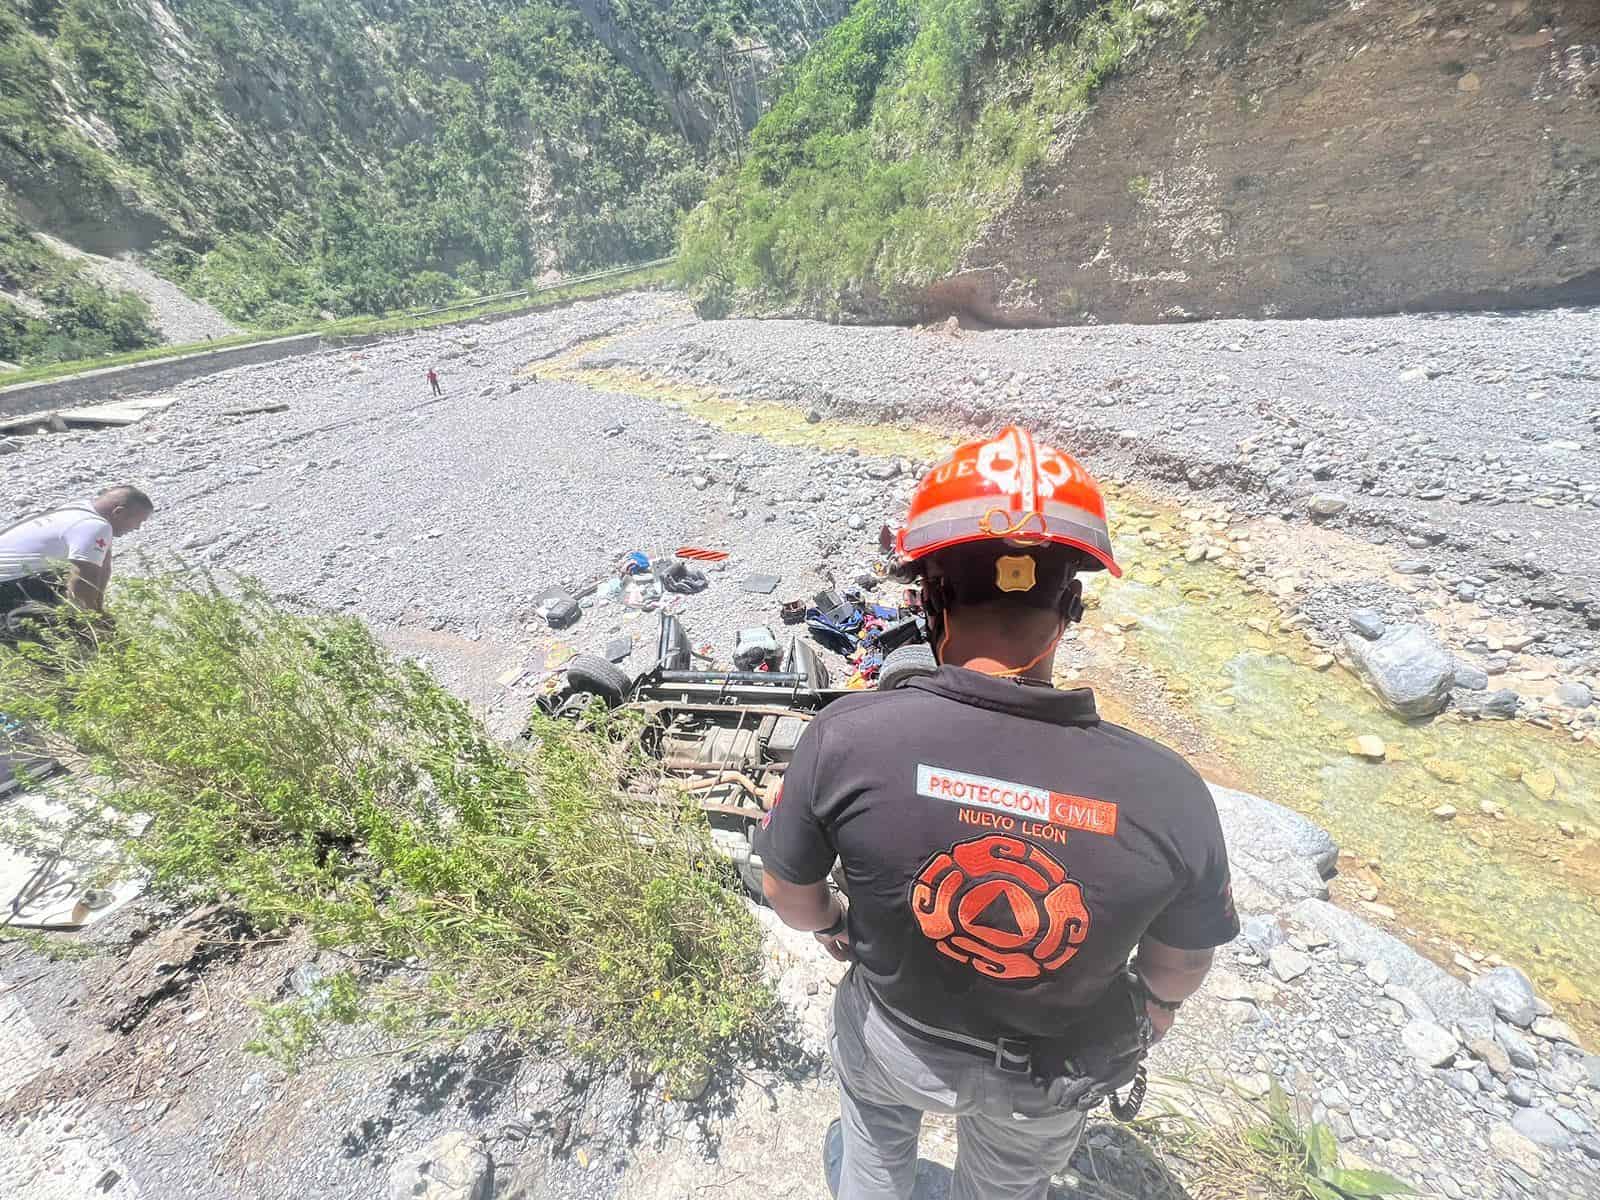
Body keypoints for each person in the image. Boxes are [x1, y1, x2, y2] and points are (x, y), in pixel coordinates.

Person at [754, 427, 1238, 1200]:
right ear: (1072, 604)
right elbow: (1178, 968)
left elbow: (788, 896)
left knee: (874, 1158)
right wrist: (1153, 1010)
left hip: (893, 1037)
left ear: (929, 600)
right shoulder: (1169, 790)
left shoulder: (846, 737)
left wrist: (836, 922)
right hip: (1047, 1076)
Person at [0, 485, 155, 625]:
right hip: (9, 585)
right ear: (119, 512)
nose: (137, 528)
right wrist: (91, 624)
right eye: (138, 522)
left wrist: (99, 612)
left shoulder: (79, 510)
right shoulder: (94, 525)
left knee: (66, 584)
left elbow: (102, 569)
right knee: (73, 627)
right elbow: (83, 580)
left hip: (14, 579)